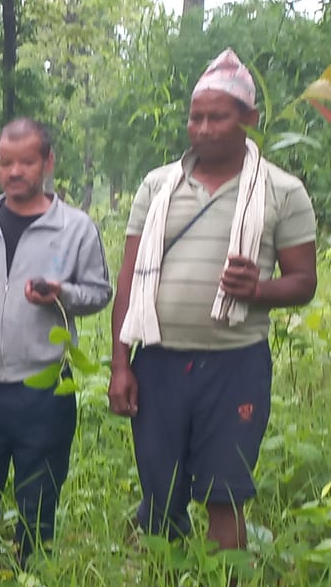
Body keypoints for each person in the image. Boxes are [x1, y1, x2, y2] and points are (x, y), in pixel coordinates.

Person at [109, 49, 318, 553]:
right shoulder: (158, 187)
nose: (202, 128)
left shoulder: (281, 192)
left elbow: (304, 282)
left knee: (226, 494)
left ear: (248, 120)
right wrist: (120, 364)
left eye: (217, 117)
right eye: (195, 117)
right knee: (160, 495)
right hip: (158, 362)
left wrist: (259, 290)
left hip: (235, 365)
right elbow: (131, 279)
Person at [0, 120, 112, 564]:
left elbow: (99, 293)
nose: (16, 172)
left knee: (40, 492)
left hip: (44, 385)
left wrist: (62, 294)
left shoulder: (75, 229)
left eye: (27, 162)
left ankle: (32, 580)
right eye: (6, 162)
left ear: (47, 163)